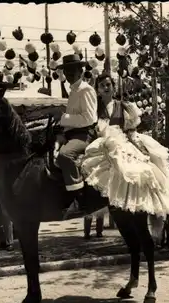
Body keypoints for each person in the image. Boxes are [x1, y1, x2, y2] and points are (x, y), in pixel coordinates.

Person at [80, 73, 169, 219]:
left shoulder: (123, 106)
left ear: (114, 87)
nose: (106, 88)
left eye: (108, 85)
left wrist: (138, 145)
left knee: (140, 171)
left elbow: (130, 130)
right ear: (98, 90)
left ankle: (138, 204)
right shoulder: (94, 108)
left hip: (122, 144)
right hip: (101, 145)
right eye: (102, 86)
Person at [55, 54, 99, 216]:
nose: (68, 75)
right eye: (66, 71)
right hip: (72, 134)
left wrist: (63, 118)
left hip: (84, 134)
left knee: (65, 156)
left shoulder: (85, 90)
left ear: (81, 71)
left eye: (72, 71)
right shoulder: (73, 91)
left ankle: (79, 199)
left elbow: (89, 118)